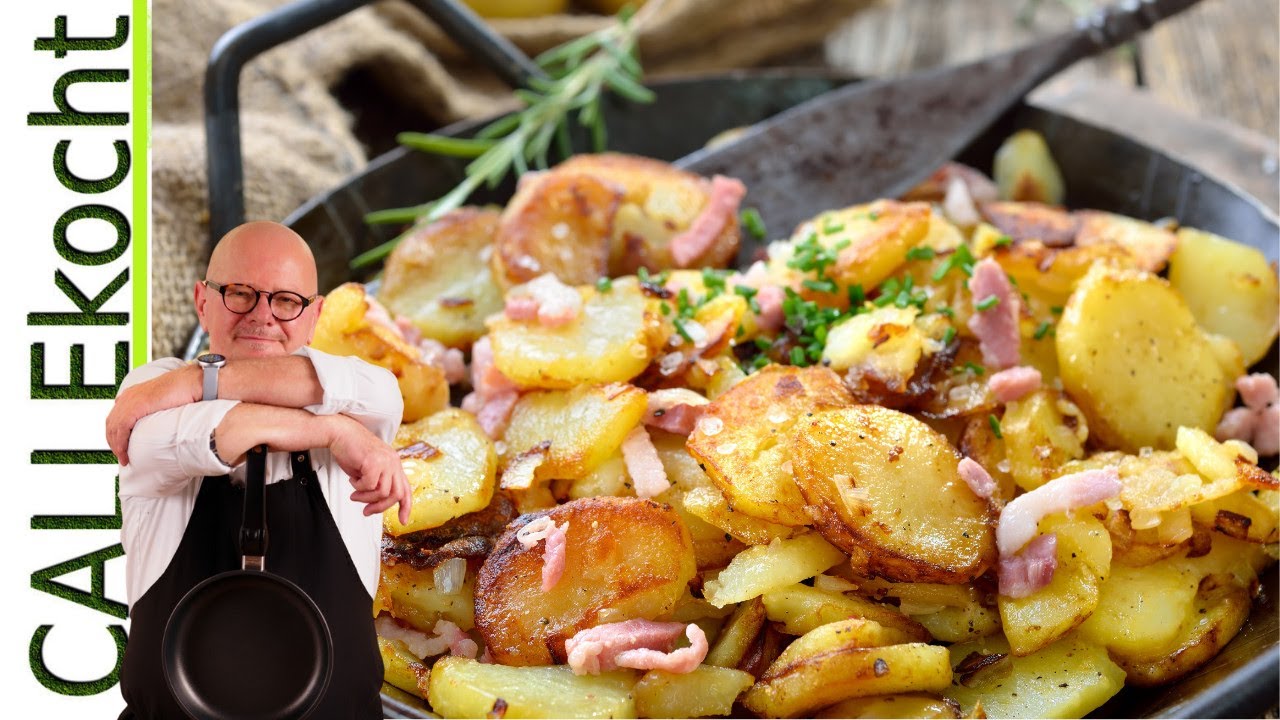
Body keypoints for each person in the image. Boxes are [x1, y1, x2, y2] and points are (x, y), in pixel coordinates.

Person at [107, 221, 411, 719]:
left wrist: (202, 379)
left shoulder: (364, 395)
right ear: (202, 301)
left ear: (313, 317)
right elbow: (202, 436)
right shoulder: (149, 389)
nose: (262, 316)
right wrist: (335, 432)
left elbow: (382, 392)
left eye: (287, 301)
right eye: (241, 294)